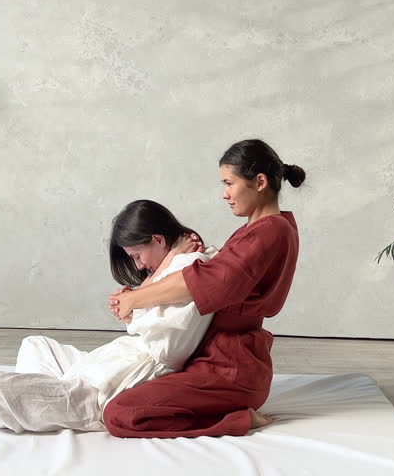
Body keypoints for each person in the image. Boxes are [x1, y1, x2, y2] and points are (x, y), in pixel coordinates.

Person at [105, 139, 304, 438]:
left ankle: (237, 420)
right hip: (215, 361)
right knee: (113, 396)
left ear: (259, 182)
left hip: (230, 370)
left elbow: (205, 281)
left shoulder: (271, 231)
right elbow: (202, 274)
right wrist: (137, 297)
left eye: (229, 183)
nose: (224, 194)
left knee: (119, 415)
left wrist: (135, 298)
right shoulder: (256, 230)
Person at [0, 200, 214, 433]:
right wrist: (135, 307)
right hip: (107, 361)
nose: (138, 266)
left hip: (115, 383)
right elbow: (150, 311)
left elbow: (167, 345)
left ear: (158, 239)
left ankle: (52, 398)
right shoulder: (172, 264)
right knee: (34, 344)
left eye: (137, 256)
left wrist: (133, 309)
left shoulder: (191, 265)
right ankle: (47, 394)